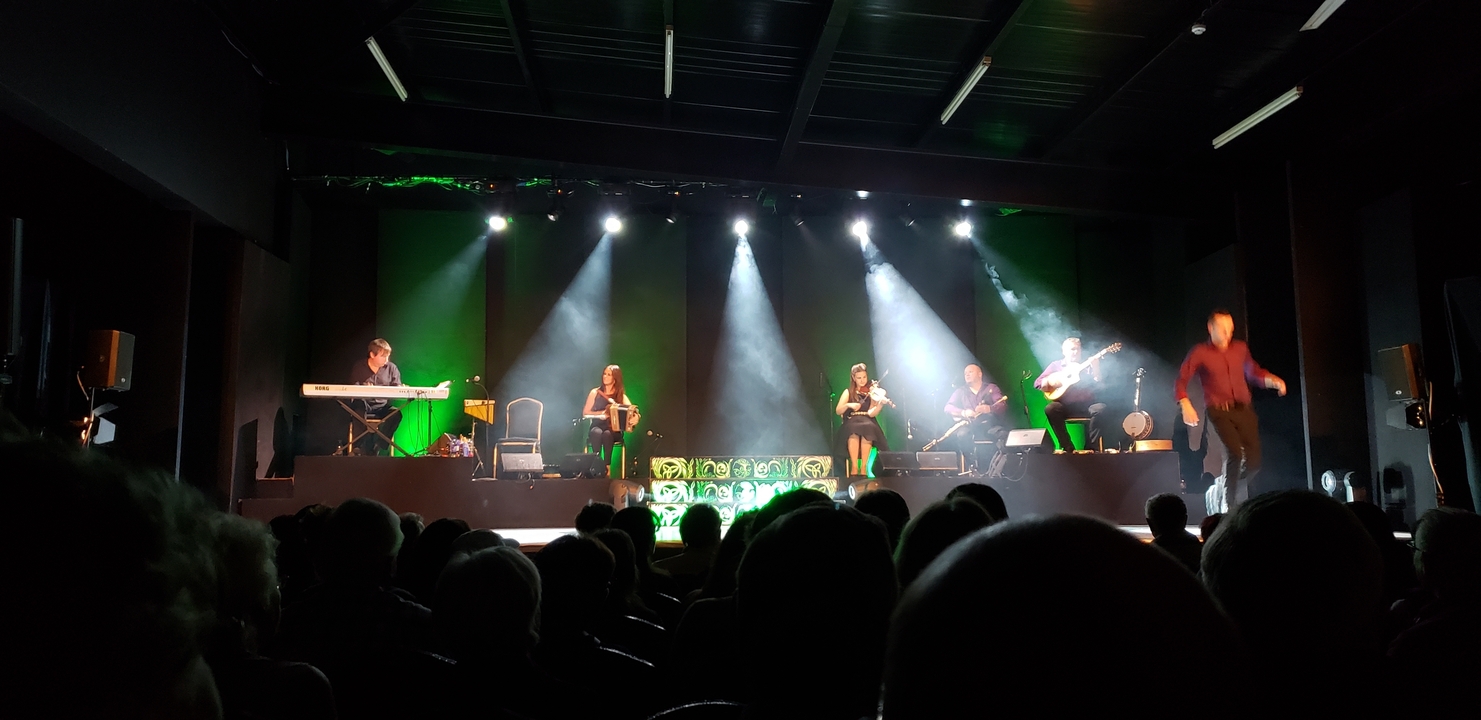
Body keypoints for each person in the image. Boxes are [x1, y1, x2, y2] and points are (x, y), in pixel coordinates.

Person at [1175, 310, 1286, 512]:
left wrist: (1271, 380)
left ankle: (1222, 488)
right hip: (1218, 411)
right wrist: (1185, 403)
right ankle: (1229, 503)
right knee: (1234, 453)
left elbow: (1253, 372)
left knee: (1254, 461)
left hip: (1243, 409)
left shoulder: (1240, 349)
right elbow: (1182, 379)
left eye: (1230, 329)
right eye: (1223, 329)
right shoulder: (1200, 352)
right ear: (1211, 329)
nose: (1228, 333)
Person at [1034, 338, 1105, 452]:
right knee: (1051, 409)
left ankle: (1091, 448)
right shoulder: (1056, 365)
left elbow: (1100, 385)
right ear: (1064, 351)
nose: (1075, 352)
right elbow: (1037, 383)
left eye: (1078, 349)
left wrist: (1096, 368)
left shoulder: (1087, 366)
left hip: (1086, 405)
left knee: (1100, 409)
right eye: (1072, 349)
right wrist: (1051, 381)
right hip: (1065, 406)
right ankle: (1067, 447)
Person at [942, 363, 1008, 471]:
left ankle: (998, 470)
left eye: (970, 372)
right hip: (970, 425)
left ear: (979, 374)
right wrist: (964, 412)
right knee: (962, 435)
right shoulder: (961, 391)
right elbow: (948, 407)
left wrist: (989, 408)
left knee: (1004, 436)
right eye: (965, 373)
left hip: (989, 424)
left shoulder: (991, 388)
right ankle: (972, 466)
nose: (967, 375)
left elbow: (1002, 405)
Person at [349, 338, 403, 455]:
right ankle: (358, 447)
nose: (386, 360)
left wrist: (400, 388)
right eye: (383, 356)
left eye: (388, 356)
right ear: (372, 354)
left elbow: (397, 388)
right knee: (358, 411)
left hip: (382, 406)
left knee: (396, 414)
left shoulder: (391, 368)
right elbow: (354, 389)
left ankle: (378, 446)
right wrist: (364, 388)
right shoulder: (359, 367)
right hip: (364, 405)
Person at [582, 364, 640, 473]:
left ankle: (607, 467)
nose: (605, 376)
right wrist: (601, 414)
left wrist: (635, 418)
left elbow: (632, 410)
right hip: (597, 424)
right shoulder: (595, 393)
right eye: (604, 374)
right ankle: (597, 464)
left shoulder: (620, 395)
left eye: (609, 375)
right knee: (596, 433)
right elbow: (585, 412)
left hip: (613, 428)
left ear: (615, 378)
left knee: (607, 434)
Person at [836, 363, 889, 478]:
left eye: (864, 377)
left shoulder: (871, 392)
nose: (862, 380)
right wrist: (849, 405)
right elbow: (838, 410)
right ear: (854, 378)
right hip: (853, 420)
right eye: (859, 378)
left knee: (868, 428)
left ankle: (864, 467)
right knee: (853, 429)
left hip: (867, 419)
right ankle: (854, 466)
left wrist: (880, 405)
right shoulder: (848, 392)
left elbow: (871, 412)